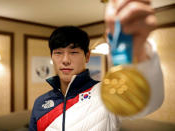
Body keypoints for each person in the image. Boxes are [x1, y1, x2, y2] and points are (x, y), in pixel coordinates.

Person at [29, 0, 164, 130]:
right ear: (51, 56)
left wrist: (137, 50)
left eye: (74, 52)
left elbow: (145, 104)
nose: (65, 60)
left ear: (87, 56)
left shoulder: (105, 93)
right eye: (58, 53)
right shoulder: (40, 103)